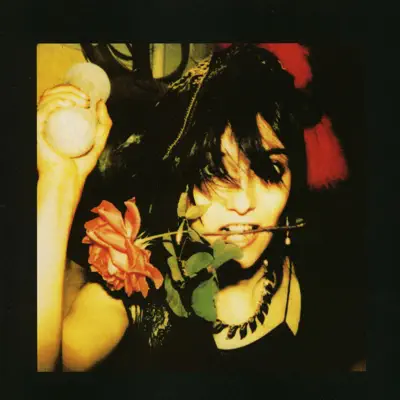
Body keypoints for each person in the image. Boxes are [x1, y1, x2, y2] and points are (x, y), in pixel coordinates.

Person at [37, 43, 364, 372]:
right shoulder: (138, 293)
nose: (244, 203)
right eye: (214, 171)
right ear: (181, 181)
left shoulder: (329, 278)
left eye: (270, 170)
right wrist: (59, 181)